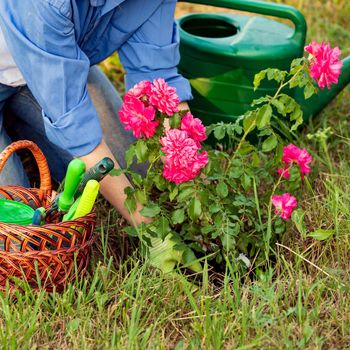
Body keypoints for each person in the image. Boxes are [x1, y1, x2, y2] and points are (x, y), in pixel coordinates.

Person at [0, 0, 192, 226]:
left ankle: (26, 124)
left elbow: (159, 80)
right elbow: (76, 128)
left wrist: (190, 166)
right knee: (17, 224)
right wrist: (148, 228)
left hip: (59, 68)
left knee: (134, 174)